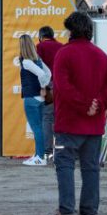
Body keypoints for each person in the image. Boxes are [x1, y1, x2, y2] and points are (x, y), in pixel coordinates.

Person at [51, 11, 107, 215]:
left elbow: (63, 86)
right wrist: (99, 104)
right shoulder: (101, 55)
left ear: (71, 30)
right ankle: (89, 209)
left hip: (68, 122)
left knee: (64, 164)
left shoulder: (64, 54)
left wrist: (84, 105)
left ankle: (67, 209)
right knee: (91, 167)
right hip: (94, 125)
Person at [14, 34, 51, 166]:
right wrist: (43, 87)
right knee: (39, 127)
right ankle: (38, 155)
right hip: (39, 99)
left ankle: (40, 157)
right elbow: (48, 73)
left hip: (31, 98)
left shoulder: (26, 62)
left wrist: (43, 87)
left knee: (36, 128)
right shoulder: (37, 59)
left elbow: (42, 74)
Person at [36, 26, 63, 159]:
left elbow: (37, 68)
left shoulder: (39, 47)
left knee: (47, 117)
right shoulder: (62, 47)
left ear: (41, 37)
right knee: (60, 118)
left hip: (47, 86)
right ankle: (61, 149)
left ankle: (47, 151)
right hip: (62, 86)